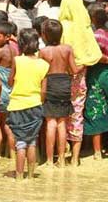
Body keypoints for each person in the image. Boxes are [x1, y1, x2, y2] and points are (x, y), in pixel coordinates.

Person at [59, 0, 102, 166]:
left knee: (60, 117)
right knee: (77, 114)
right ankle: (75, 158)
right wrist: (82, 65)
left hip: (60, 77)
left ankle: (60, 156)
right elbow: (95, 54)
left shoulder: (61, 26)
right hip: (79, 76)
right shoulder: (85, 28)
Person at [7, 28, 48, 180]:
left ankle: (18, 176)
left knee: (20, 143)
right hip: (35, 105)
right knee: (31, 142)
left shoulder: (17, 60)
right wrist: (39, 102)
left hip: (17, 106)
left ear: (21, 44)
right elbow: (44, 91)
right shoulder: (44, 65)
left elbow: (10, 81)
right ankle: (30, 176)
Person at [84, 4, 108, 160]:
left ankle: (97, 151)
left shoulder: (94, 36)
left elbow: (93, 56)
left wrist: (105, 59)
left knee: (95, 110)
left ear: (93, 19)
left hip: (96, 74)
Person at [38, 19, 76, 167]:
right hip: (65, 85)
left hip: (49, 85)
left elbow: (40, 73)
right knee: (62, 123)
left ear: (44, 36)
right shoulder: (67, 49)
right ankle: (61, 159)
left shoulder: (43, 52)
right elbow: (74, 70)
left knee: (50, 123)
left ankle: (49, 160)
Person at [0, 21, 18, 154]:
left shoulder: (0, 51)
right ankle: (11, 153)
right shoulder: (15, 49)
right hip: (11, 89)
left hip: (0, 90)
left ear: (7, 37)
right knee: (8, 123)